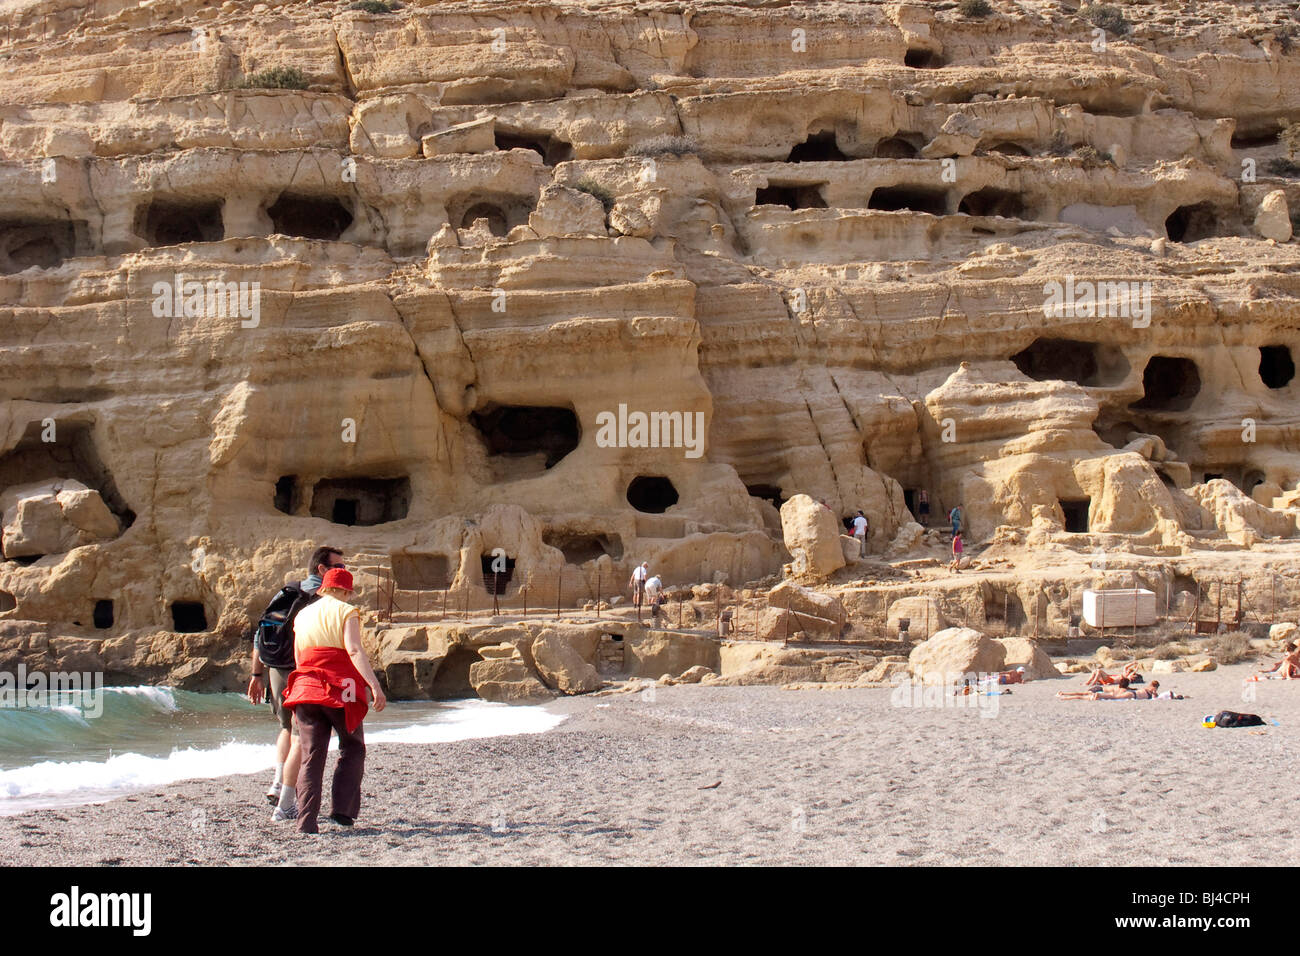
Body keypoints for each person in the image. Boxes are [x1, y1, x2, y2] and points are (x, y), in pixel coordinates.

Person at [282, 567, 386, 834]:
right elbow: (353, 649)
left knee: (311, 756)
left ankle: (305, 822)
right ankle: (342, 813)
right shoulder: (346, 611)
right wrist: (374, 686)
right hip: (342, 688)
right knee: (352, 747)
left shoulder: (302, 615)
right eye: (348, 593)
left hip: (305, 687)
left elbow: (298, 658)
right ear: (344, 591)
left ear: (323, 588)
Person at [247, 545, 345, 819]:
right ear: (322, 569)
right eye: (339, 567)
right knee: (303, 733)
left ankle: (278, 782)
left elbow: (261, 632)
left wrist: (257, 675)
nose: (344, 573)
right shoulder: (324, 597)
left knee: (285, 728)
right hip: (304, 669)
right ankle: (287, 797)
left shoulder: (287, 590)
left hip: (275, 667)